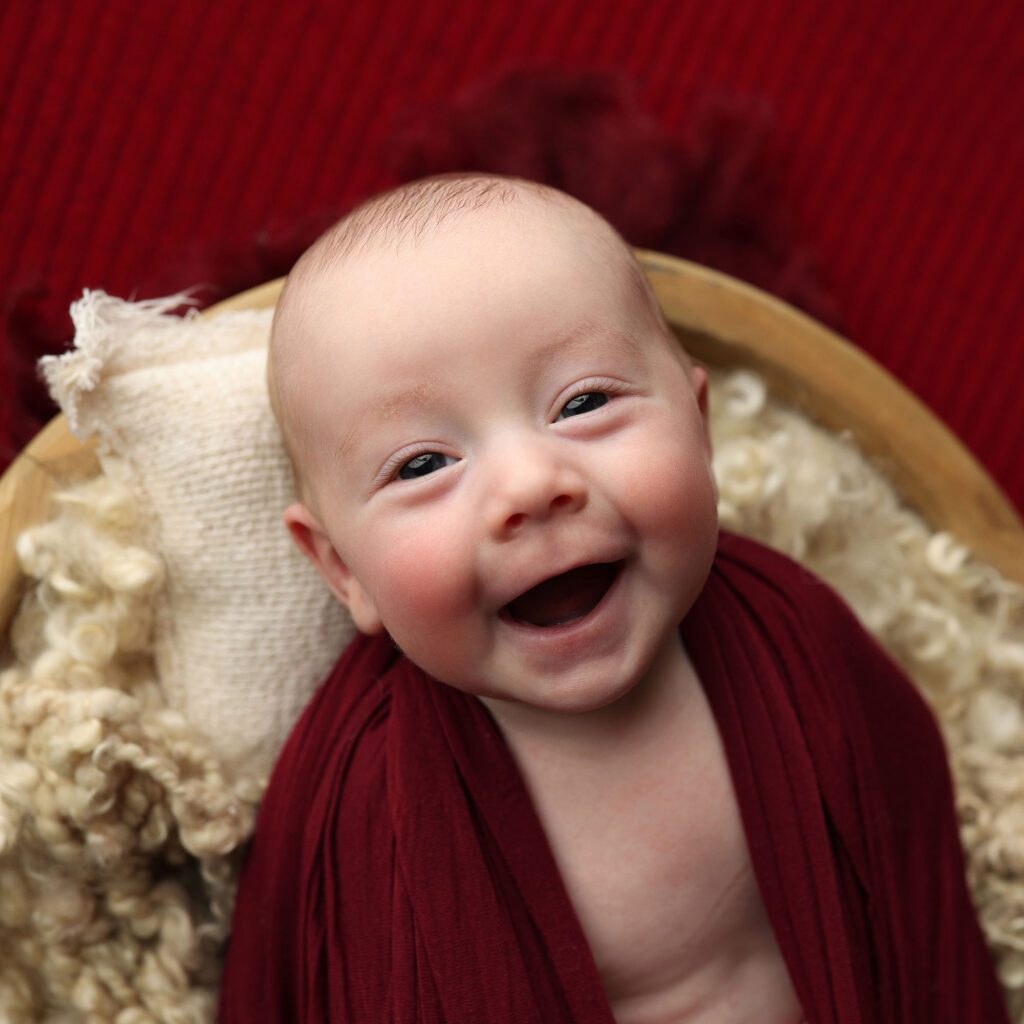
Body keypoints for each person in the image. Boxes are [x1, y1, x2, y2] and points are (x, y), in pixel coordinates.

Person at [218, 174, 1009, 1023]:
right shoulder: (369, 800)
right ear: (343, 571)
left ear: (701, 430)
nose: (530, 484)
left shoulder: (799, 642)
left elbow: (921, 906)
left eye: (583, 403)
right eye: (422, 465)